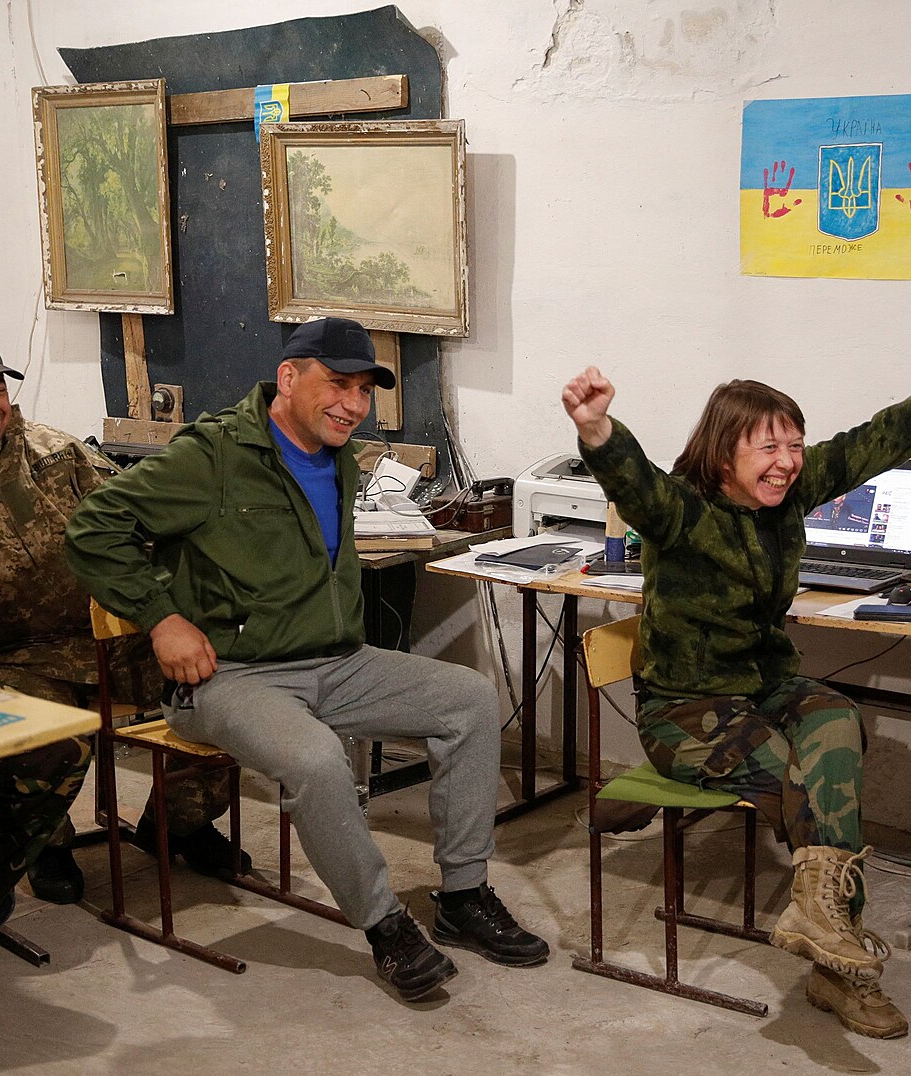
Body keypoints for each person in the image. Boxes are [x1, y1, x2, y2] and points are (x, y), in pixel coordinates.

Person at [63, 317, 550, 1002]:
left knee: (468, 698)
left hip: (335, 662)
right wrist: (164, 619)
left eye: (364, 390)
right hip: (230, 676)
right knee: (317, 759)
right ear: (288, 378)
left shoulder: (339, 455)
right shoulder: (212, 455)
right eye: (338, 384)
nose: (354, 404)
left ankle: (463, 897)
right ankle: (385, 926)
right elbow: (92, 529)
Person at [561, 329, 911, 1039]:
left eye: (796, 445)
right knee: (807, 779)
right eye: (768, 448)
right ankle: (844, 971)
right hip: (683, 711)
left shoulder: (789, 495)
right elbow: (634, 481)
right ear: (724, 454)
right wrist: (597, 428)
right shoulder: (681, 512)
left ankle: (821, 927)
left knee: (837, 721)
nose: (787, 462)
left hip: (763, 688)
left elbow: (884, 436)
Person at [0, 331, 241, 907]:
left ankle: (179, 823)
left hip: (103, 640)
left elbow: (131, 521)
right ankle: (46, 844)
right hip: (2, 657)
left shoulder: (53, 451)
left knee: (230, 687)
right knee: (52, 737)